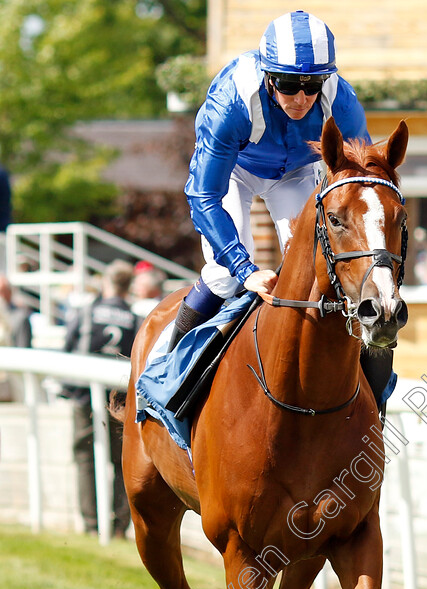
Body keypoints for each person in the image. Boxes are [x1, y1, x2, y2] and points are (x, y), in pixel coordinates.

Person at [169, 9, 371, 351]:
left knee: (315, 272)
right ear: (268, 77)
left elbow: (365, 183)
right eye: (289, 85)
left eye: (312, 87)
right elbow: (204, 197)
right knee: (224, 276)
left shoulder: (343, 103)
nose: (301, 99)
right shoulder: (231, 102)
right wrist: (244, 268)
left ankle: (372, 387)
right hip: (234, 171)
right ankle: (169, 373)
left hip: (294, 173)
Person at [62, 260, 137, 537]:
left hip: (84, 396)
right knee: (121, 463)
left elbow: (67, 348)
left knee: (85, 457)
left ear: (107, 281)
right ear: (129, 286)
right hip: (120, 400)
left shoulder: (85, 312)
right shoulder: (136, 318)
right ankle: (118, 527)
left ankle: (92, 525)